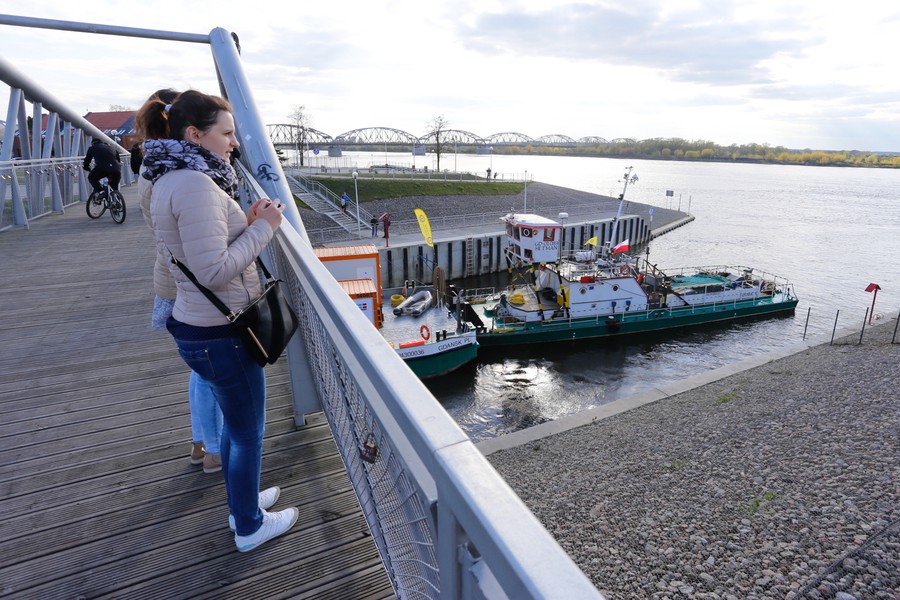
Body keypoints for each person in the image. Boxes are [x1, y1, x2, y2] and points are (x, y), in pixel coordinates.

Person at [141, 89, 298, 552]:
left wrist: (245, 223)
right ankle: (249, 526)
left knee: (234, 425)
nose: (234, 143)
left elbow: (200, 249)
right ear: (195, 134)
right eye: (226, 133)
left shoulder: (173, 176)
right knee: (247, 432)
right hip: (220, 333)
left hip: (200, 327)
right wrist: (264, 229)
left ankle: (241, 501)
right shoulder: (193, 185)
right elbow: (212, 269)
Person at [136, 88, 223, 475]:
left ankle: (200, 443)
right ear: (188, 129)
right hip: (190, 284)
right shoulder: (180, 171)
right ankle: (215, 450)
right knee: (210, 373)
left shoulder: (153, 164)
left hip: (172, 278)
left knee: (200, 372)